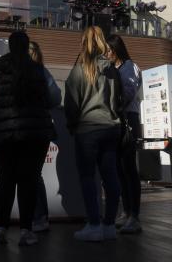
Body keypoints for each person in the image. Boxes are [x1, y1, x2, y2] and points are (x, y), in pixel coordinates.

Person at [0, 31, 59, 246]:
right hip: (34, 133)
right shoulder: (40, 70)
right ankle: (26, 230)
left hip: (3, 132)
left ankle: (0, 229)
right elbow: (55, 98)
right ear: (26, 47)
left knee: (5, 180)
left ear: (9, 46)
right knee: (28, 180)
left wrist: (0, 110)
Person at [65, 26, 122, 242]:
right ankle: (109, 225)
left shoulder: (79, 70)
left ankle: (94, 224)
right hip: (111, 127)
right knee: (110, 176)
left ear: (84, 43)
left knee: (88, 177)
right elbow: (118, 100)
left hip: (87, 129)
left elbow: (71, 103)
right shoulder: (112, 70)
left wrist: (72, 124)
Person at [107, 34, 143, 235]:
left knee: (129, 168)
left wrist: (113, 105)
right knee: (120, 168)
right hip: (118, 118)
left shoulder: (130, 67)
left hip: (128, 118)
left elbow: (128, 93)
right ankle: (127, 210)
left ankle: (134, 215)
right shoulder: (116, 68)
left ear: (116, 49)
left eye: (109, 50)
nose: (106, 53)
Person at [27, 41, 61, 233]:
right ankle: (39, 216)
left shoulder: (13, 71)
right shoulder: (43, 73)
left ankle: (26, 217)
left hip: (18, 127)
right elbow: (56, 97)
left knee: (16, 175)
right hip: (39, 127)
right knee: (34, 174)